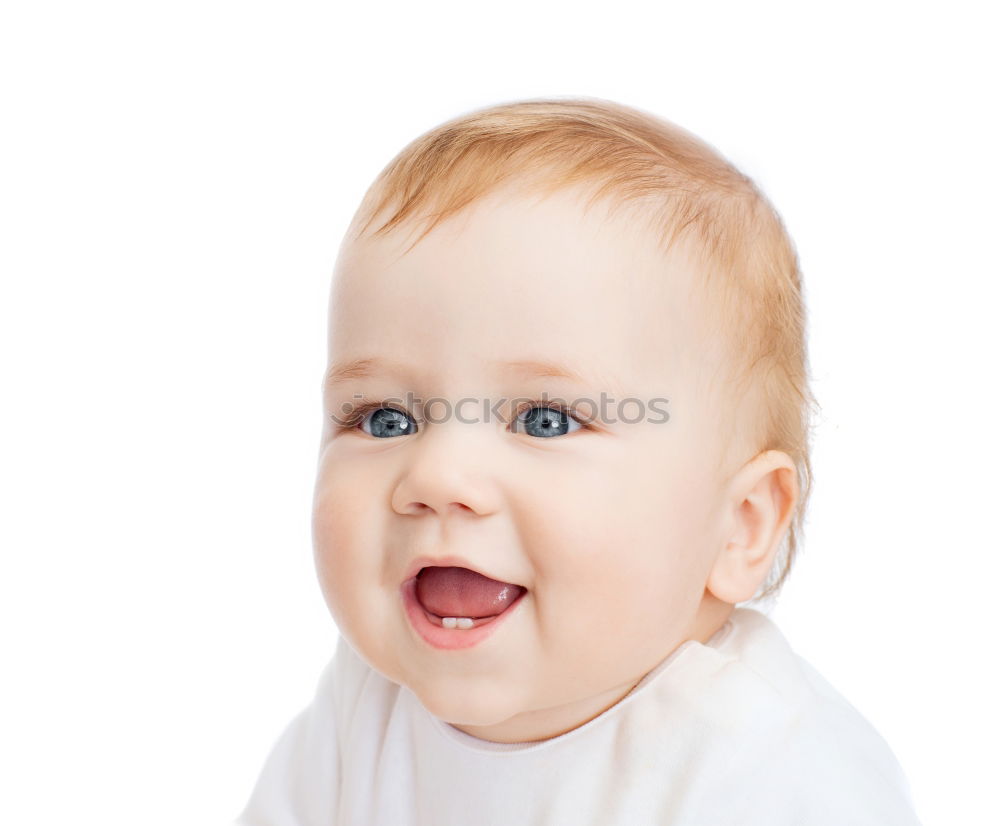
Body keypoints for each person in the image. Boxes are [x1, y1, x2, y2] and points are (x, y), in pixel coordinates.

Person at [234, 97, 923, 825]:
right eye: (386, 418)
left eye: (544, 420)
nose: (435, 477)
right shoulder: (361, 715)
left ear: (739, 526)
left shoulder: (773, 772)